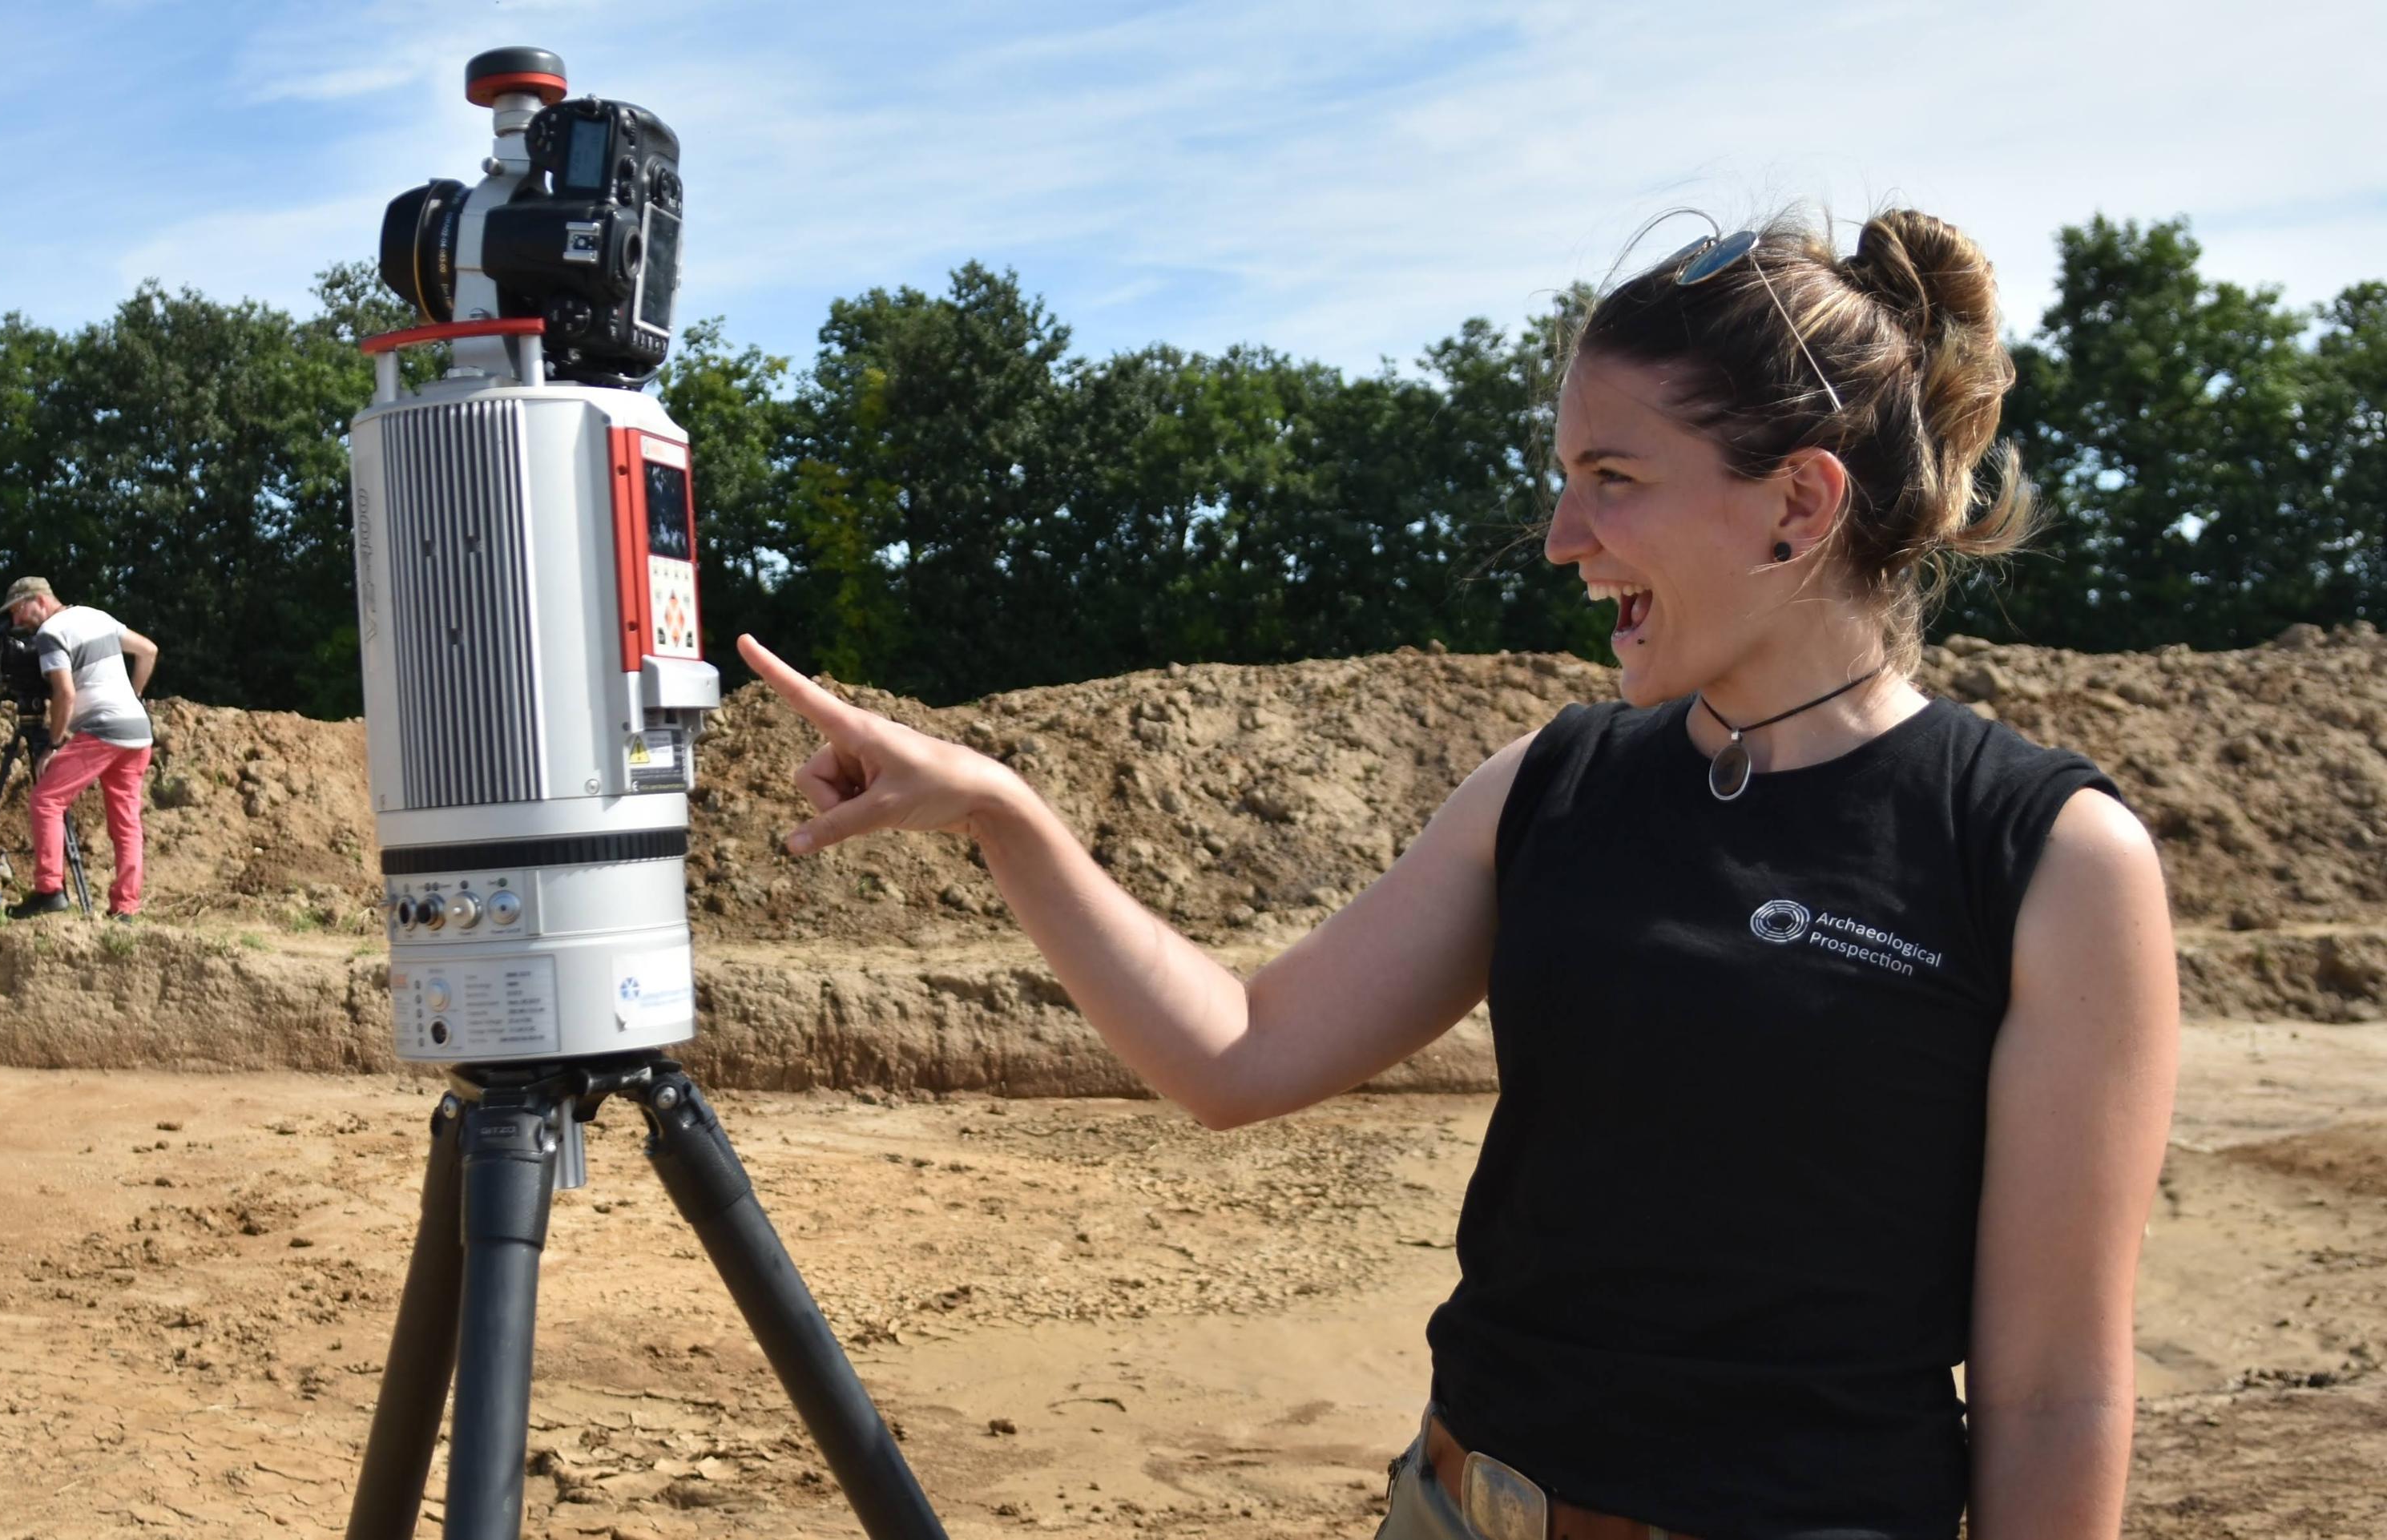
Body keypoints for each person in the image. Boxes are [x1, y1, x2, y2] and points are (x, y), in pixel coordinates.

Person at [737, 209, 2179, 1538]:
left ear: (1798, 505)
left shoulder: (2042, 854)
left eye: (1612, 481)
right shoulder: (1554, 786)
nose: (1562, 538)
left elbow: (2056, 1392)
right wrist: (1005, 813)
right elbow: (1234, 1054)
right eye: (1563, 480)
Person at [0, 576, 159, 921]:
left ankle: (50, 890)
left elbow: (64, 694)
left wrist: (53, 745)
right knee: (126, 822)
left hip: (103, 730)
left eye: (17, 610)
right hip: (138, 731)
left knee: (46, 799)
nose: (15, 622)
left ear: (39, 600)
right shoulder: (96, 616)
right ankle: (125, 909)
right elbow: (148, 651)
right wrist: (135, 697)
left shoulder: (51, 633)